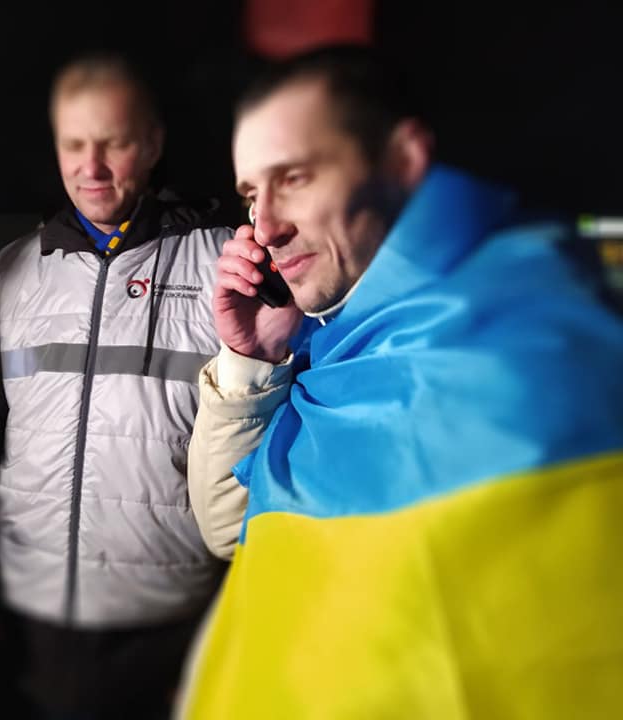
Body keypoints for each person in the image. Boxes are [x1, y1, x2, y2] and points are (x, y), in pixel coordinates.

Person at [180, 46, 623, 718]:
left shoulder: (531, 340)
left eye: (294, 177)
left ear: (402, 162)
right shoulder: (338, 342)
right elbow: (232, 529)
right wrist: (251, 359)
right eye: (250, 194)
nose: (263, 227)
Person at [0, 53, 230, 718]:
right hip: (32, 620)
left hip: (170, 626)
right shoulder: (16, 268)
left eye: (114, 143)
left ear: (154, 144)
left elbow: (255, 450)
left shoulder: (225, 261)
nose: (92, 167)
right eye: (74, 144)